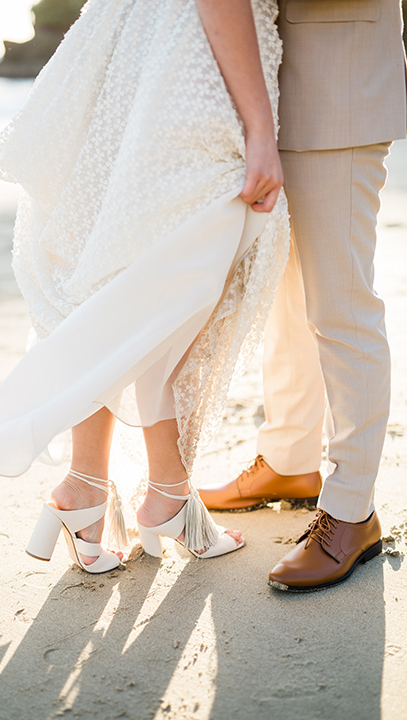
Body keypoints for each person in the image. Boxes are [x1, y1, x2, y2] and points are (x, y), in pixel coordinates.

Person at [0, 0, 289, 573]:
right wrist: (260, 127)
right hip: (190, 71)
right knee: (166, 291)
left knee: (117, 276)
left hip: (129, 53)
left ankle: (91, 486)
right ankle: (159, 494)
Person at [199, 0, 407, 591]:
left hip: (342, 91)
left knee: (341, 307)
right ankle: (290, 462)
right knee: (288, 300)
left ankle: (351, 510)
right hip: (266, 97)